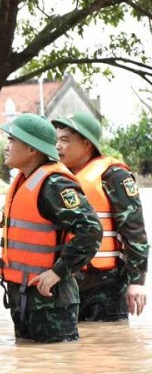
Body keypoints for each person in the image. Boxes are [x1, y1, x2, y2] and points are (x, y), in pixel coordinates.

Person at [0, 113, 101, 343]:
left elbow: (91, 229)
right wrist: (2, 215)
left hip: (51, 301)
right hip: (25, 296)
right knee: (29, 370)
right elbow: (38, 218)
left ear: (31, 150)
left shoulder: (55, 184)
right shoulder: (25, 179)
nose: (6, 146)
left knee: (57, 371)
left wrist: (58, 271)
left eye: (12, 140)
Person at [52, 111, 148, 321]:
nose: (57, 146)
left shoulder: (114, 176)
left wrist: (137, 282)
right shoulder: (58, 178)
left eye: (65, 140)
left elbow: (135, 230)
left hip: (106, 284)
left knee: (108, 346)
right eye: (56, 139)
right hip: (68, 282)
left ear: (87, 144)